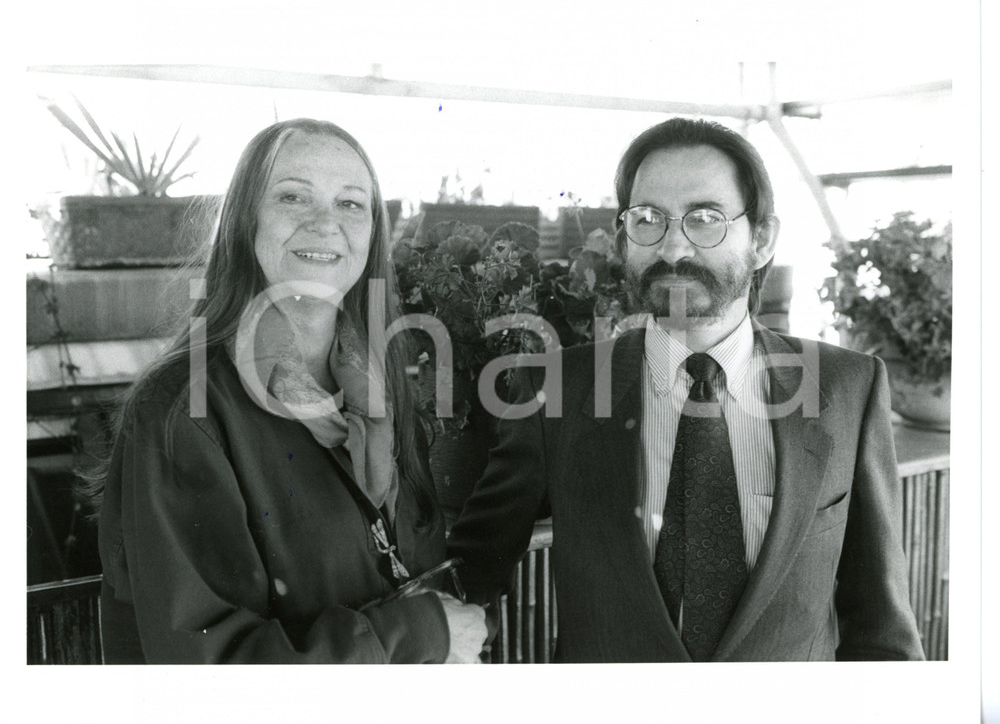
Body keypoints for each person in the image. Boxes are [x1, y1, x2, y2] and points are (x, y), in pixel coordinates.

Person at [447, 117, 924, 662]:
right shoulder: (554, 388)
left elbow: (882, 626)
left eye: (706, 219)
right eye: (648, 219)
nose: (673, 246)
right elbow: (472, 572)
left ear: (762, 239)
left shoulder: (848, 388)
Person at [96, 118, 487, 663]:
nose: (326, 224)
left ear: (374, 232)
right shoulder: (184, 410)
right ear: (244, 224)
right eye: (293, 197)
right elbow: (205, 671)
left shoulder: (381, 385)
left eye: (351, 204)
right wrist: (417, 634)